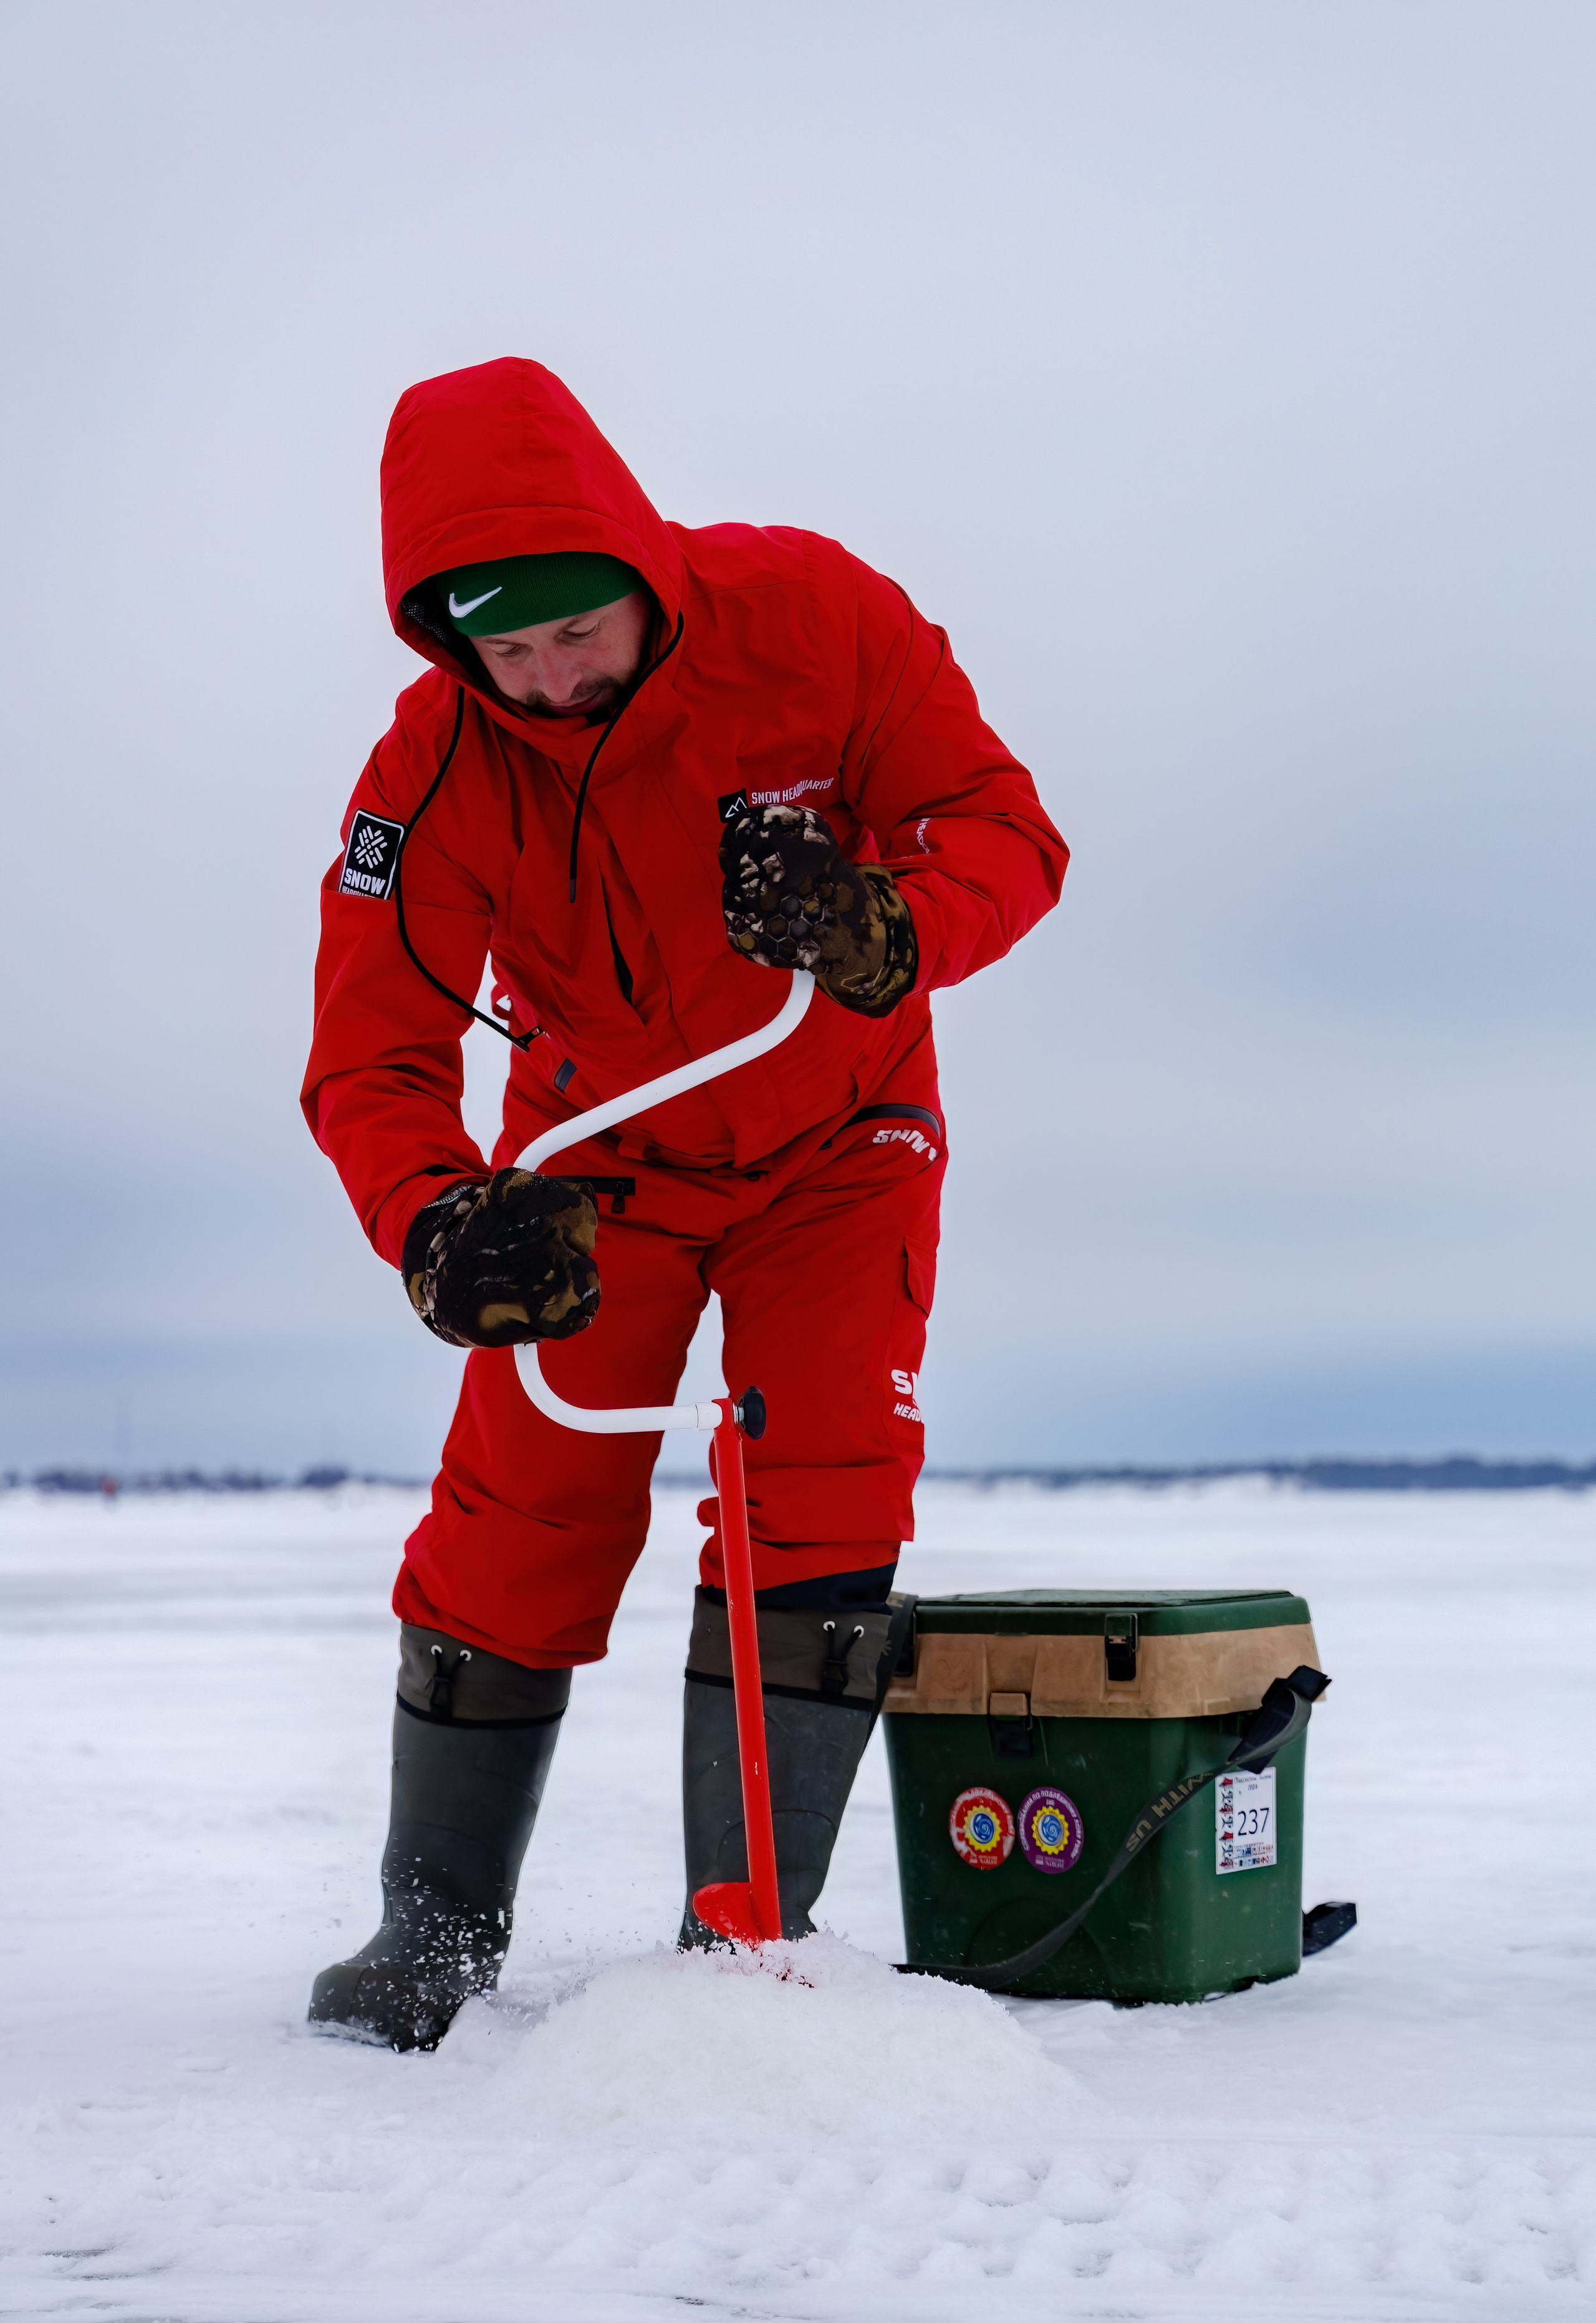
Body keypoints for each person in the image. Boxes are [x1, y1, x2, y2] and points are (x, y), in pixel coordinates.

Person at [302, 357, 1068, 2049]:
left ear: (635, 568)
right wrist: (438, 1219)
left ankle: (743, 1947)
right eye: (511, 650)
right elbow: (369, 1056)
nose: (555, 677)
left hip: (838, 1137)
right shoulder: (429, 771)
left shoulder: (819, 616)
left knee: (817, 1487)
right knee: (519, 1516)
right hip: (597, 1168)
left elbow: (1009, 830)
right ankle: (427, 1937)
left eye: (581, 631)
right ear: (450, 642)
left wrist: (888, 923)